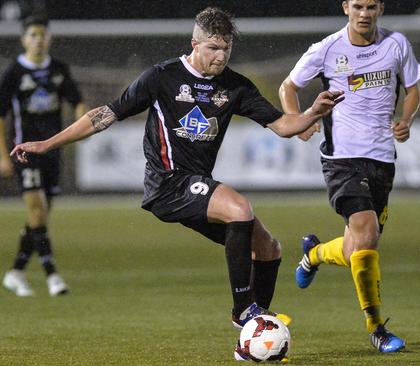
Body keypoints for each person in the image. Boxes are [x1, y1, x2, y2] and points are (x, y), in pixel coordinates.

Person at [10, 7, 341, 359]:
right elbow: (102, 115)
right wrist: (46, 145)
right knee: (239, 208)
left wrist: (310, 114)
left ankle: (249, 339)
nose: (221, 55)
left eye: (226, 48)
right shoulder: (161, 76)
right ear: (195, 44)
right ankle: (244, 311)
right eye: (213, 47)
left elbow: (283, 126)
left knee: (268, 248)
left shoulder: (235, 86)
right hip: (167, 183)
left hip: (197, 185)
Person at [278, 0, 420, 353]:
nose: (364, 13)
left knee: (358, 245)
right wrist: (298, 122)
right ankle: (377, 328)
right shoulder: (326, 49)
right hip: (341, 160)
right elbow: (288, 87)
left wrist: (406, 121)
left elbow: (413, 90)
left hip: (382, 161)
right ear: (346, 7)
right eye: (357, 5)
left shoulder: (397, 44)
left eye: (371, 6)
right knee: (368, 232)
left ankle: (313, 255)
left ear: (380, 8)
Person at [0, 15, 87, 297]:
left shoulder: (59, 69)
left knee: (40, 216)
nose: (38, 39)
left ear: (49, 38)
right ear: (24, 39)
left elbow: (77, 101)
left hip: (51, 151)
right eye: (33, 35)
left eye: (42, 34)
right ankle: (53, 276)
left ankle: (16, 272)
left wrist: (82, 121)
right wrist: (2, 156)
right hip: (24, 152)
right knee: (37, 211)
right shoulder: (13, 73)